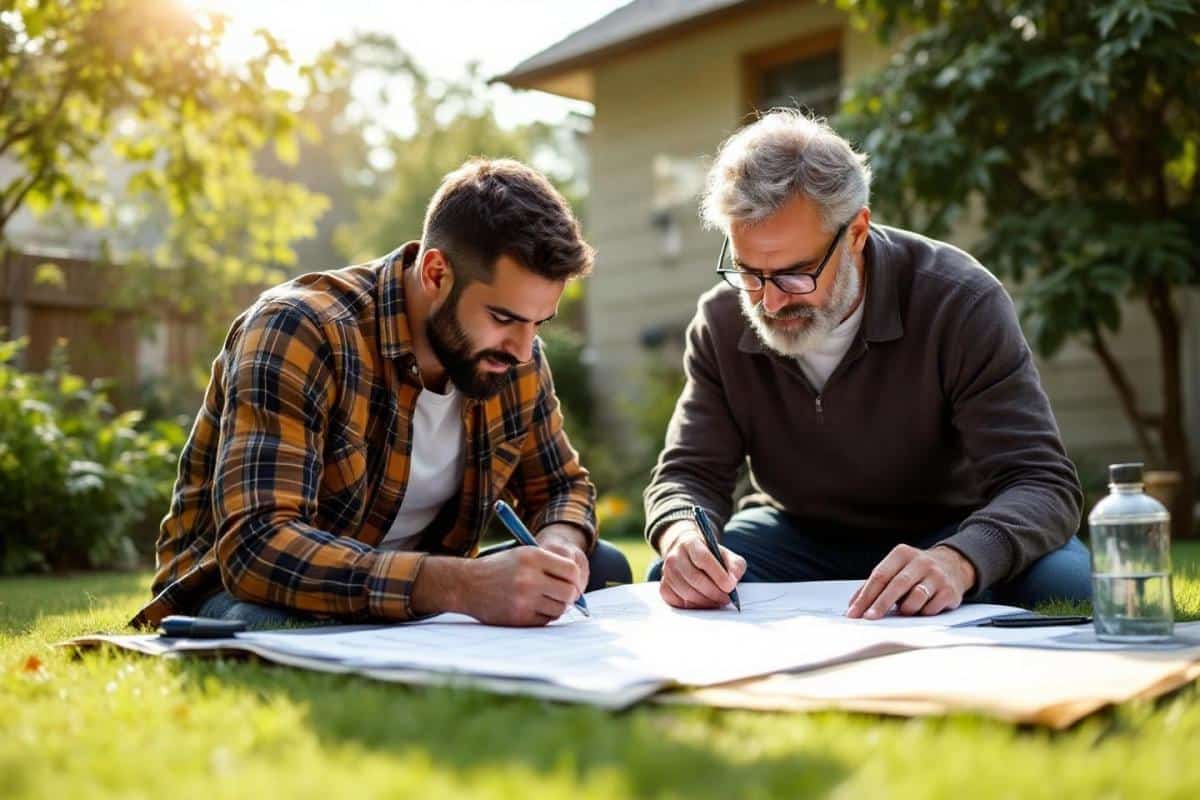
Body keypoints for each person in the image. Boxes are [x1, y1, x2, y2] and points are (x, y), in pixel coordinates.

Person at [133, 158, 630, 630]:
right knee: (288, 624)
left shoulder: (513, 359)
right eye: (503, 318)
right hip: (248, 593)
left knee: (601, 567)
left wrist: (560, 544)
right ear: (436, 274)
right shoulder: (301, 329)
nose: (524, 350)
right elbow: (258, 549)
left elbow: (563, 487)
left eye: (538, 323)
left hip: (411, 595)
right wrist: (457, 585)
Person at [644, 110, 1090, 619]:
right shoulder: (722, 321)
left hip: (949, 530)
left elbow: (1040, 481)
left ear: (856, 231)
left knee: (1068, 588)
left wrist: (960, 560)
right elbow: (688, 473)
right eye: (748, 271)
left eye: (795, 274)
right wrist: (684, 537)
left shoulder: (960, 301)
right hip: (797, 535)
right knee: (677, 584)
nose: (767, 303)